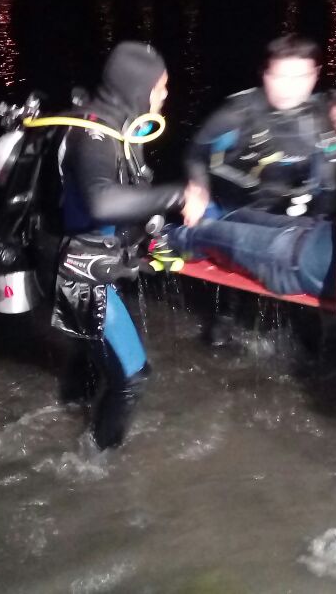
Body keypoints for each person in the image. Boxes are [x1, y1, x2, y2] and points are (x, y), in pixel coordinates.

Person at [51, 41, 207, 449]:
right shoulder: (94, 134)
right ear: (139, 88)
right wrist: (177, 196)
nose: (166, 95)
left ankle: (66, 411)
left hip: (98, 261)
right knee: (133, 377)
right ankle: (97, 467)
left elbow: (127, 194)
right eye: (162, 87)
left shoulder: (121, 125)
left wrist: (152, 238)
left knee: (90, 355)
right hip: (82, 274)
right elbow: (102, 199)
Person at [186, 35, 336, 218]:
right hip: (231, 211)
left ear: (316, 74)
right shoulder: (235, 115)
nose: (290, 87)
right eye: (279, 76)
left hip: (290, 218)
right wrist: (199, 193)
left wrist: (320, 220)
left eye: (302, 77)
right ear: (265, 74)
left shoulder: (324, 120)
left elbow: (328, 185)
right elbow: (195, 156)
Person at [157, 209, 336, 322]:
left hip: (289, 262)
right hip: (308, 231)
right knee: (236, 215)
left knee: (204, 234)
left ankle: (157, 239)